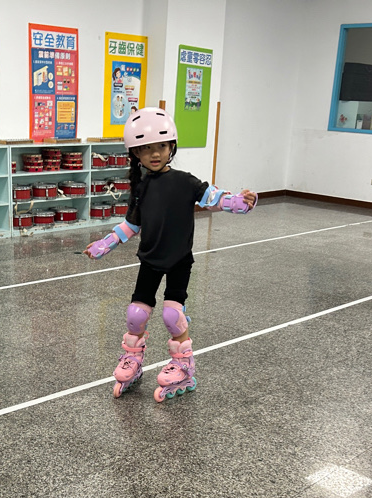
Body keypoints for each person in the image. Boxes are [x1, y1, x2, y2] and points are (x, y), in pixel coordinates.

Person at [83, 107, 257, 402]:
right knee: (135, 315)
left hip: (178, 260)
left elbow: (214, 198)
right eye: (146, 148)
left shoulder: (185, 182)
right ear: (136, 153)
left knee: (172, 315)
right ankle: (133, 358)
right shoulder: (141, 187)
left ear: (171, 147)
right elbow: (132, 224)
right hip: (150, 259)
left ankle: (183, 365)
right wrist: (106, 242)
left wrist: (241, 201)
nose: (155, 154)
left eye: (161, 146)